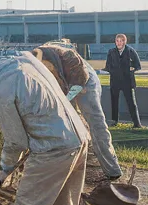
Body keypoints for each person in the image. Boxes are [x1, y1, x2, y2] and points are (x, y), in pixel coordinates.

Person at [0, 51, 92, 205]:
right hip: (78, 140)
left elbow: (16, 141)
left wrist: (5, 170)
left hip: (51, 150)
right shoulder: (24, 60)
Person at [32, 42, 122, 182]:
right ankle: (72, 162)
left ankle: (112, 168)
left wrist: (64, 101)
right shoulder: (35, 64)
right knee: (67, 123)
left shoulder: (70, 58)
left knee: (96, 123)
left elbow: (80, 81)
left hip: (85, 81)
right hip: (64, 86)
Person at [104, 34, 142, 129]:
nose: (119, 43)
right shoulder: (111, 52)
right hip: (115, 81)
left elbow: (138, 65)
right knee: (114, 102)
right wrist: (113, 71)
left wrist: (131, 69)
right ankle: (114, 121)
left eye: (121, 41)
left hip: (127, 81)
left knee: (131, 103)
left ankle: (137, 123)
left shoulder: (130, 51)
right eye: (117, 41)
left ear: (124, 42)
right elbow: (107, 66)